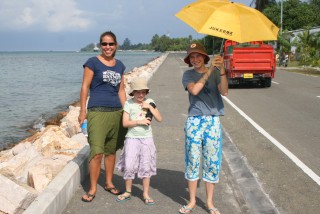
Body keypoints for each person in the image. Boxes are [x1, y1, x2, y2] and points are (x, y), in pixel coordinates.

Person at [179, 43, 228, 214]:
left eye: (198, 55)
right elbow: (195, 90)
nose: (195, 59)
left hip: (213, 121)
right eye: (192, 57)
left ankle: (209, 202)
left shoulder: (214, 71)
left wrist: (221, 70)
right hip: (194, 120)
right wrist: (209, 71)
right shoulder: (188, 75)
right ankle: (192, 201)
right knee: (192, 160)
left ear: (205, 57)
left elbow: (224, 91)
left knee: (212, 162)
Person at [79, 31, 127, 202]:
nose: (108, 47)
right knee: (97, 152)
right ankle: (92, 188)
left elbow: (121, 90)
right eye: (104, 44)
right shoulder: (92, 62)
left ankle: (108, 182)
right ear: (100, 45)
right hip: (97, 112)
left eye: (111, 44)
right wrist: (82, 111)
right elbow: (85, 87)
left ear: (116, 45)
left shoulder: (120, 65)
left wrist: (126, 110)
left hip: (116, 112)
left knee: (111, 151)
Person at [115, 77, 162, 205]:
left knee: (146, 165)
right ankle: (128, 191)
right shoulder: (128, 104)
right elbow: (125, 123)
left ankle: (146, 193)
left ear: (146, 92)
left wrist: (150, 108)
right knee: (129, 165)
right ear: (133, 93)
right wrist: (139, 122)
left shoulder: (150, 101)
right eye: (137, 92)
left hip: (147, 138)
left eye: (143, 92)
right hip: (132, 138)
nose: (140, 94)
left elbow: (159, 118)